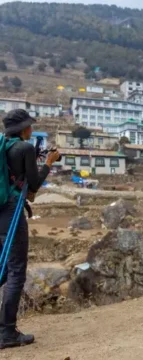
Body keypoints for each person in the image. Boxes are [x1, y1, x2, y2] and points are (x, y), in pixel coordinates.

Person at [0, 109, 59, 349]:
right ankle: (7, 333)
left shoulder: (3, 145)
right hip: (12, 211)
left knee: (3, 268)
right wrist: (48, 163)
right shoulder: (23, 148)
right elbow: (33, 183)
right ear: (23, 128)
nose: (32, 130)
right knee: (16, 272)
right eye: (29, 126)